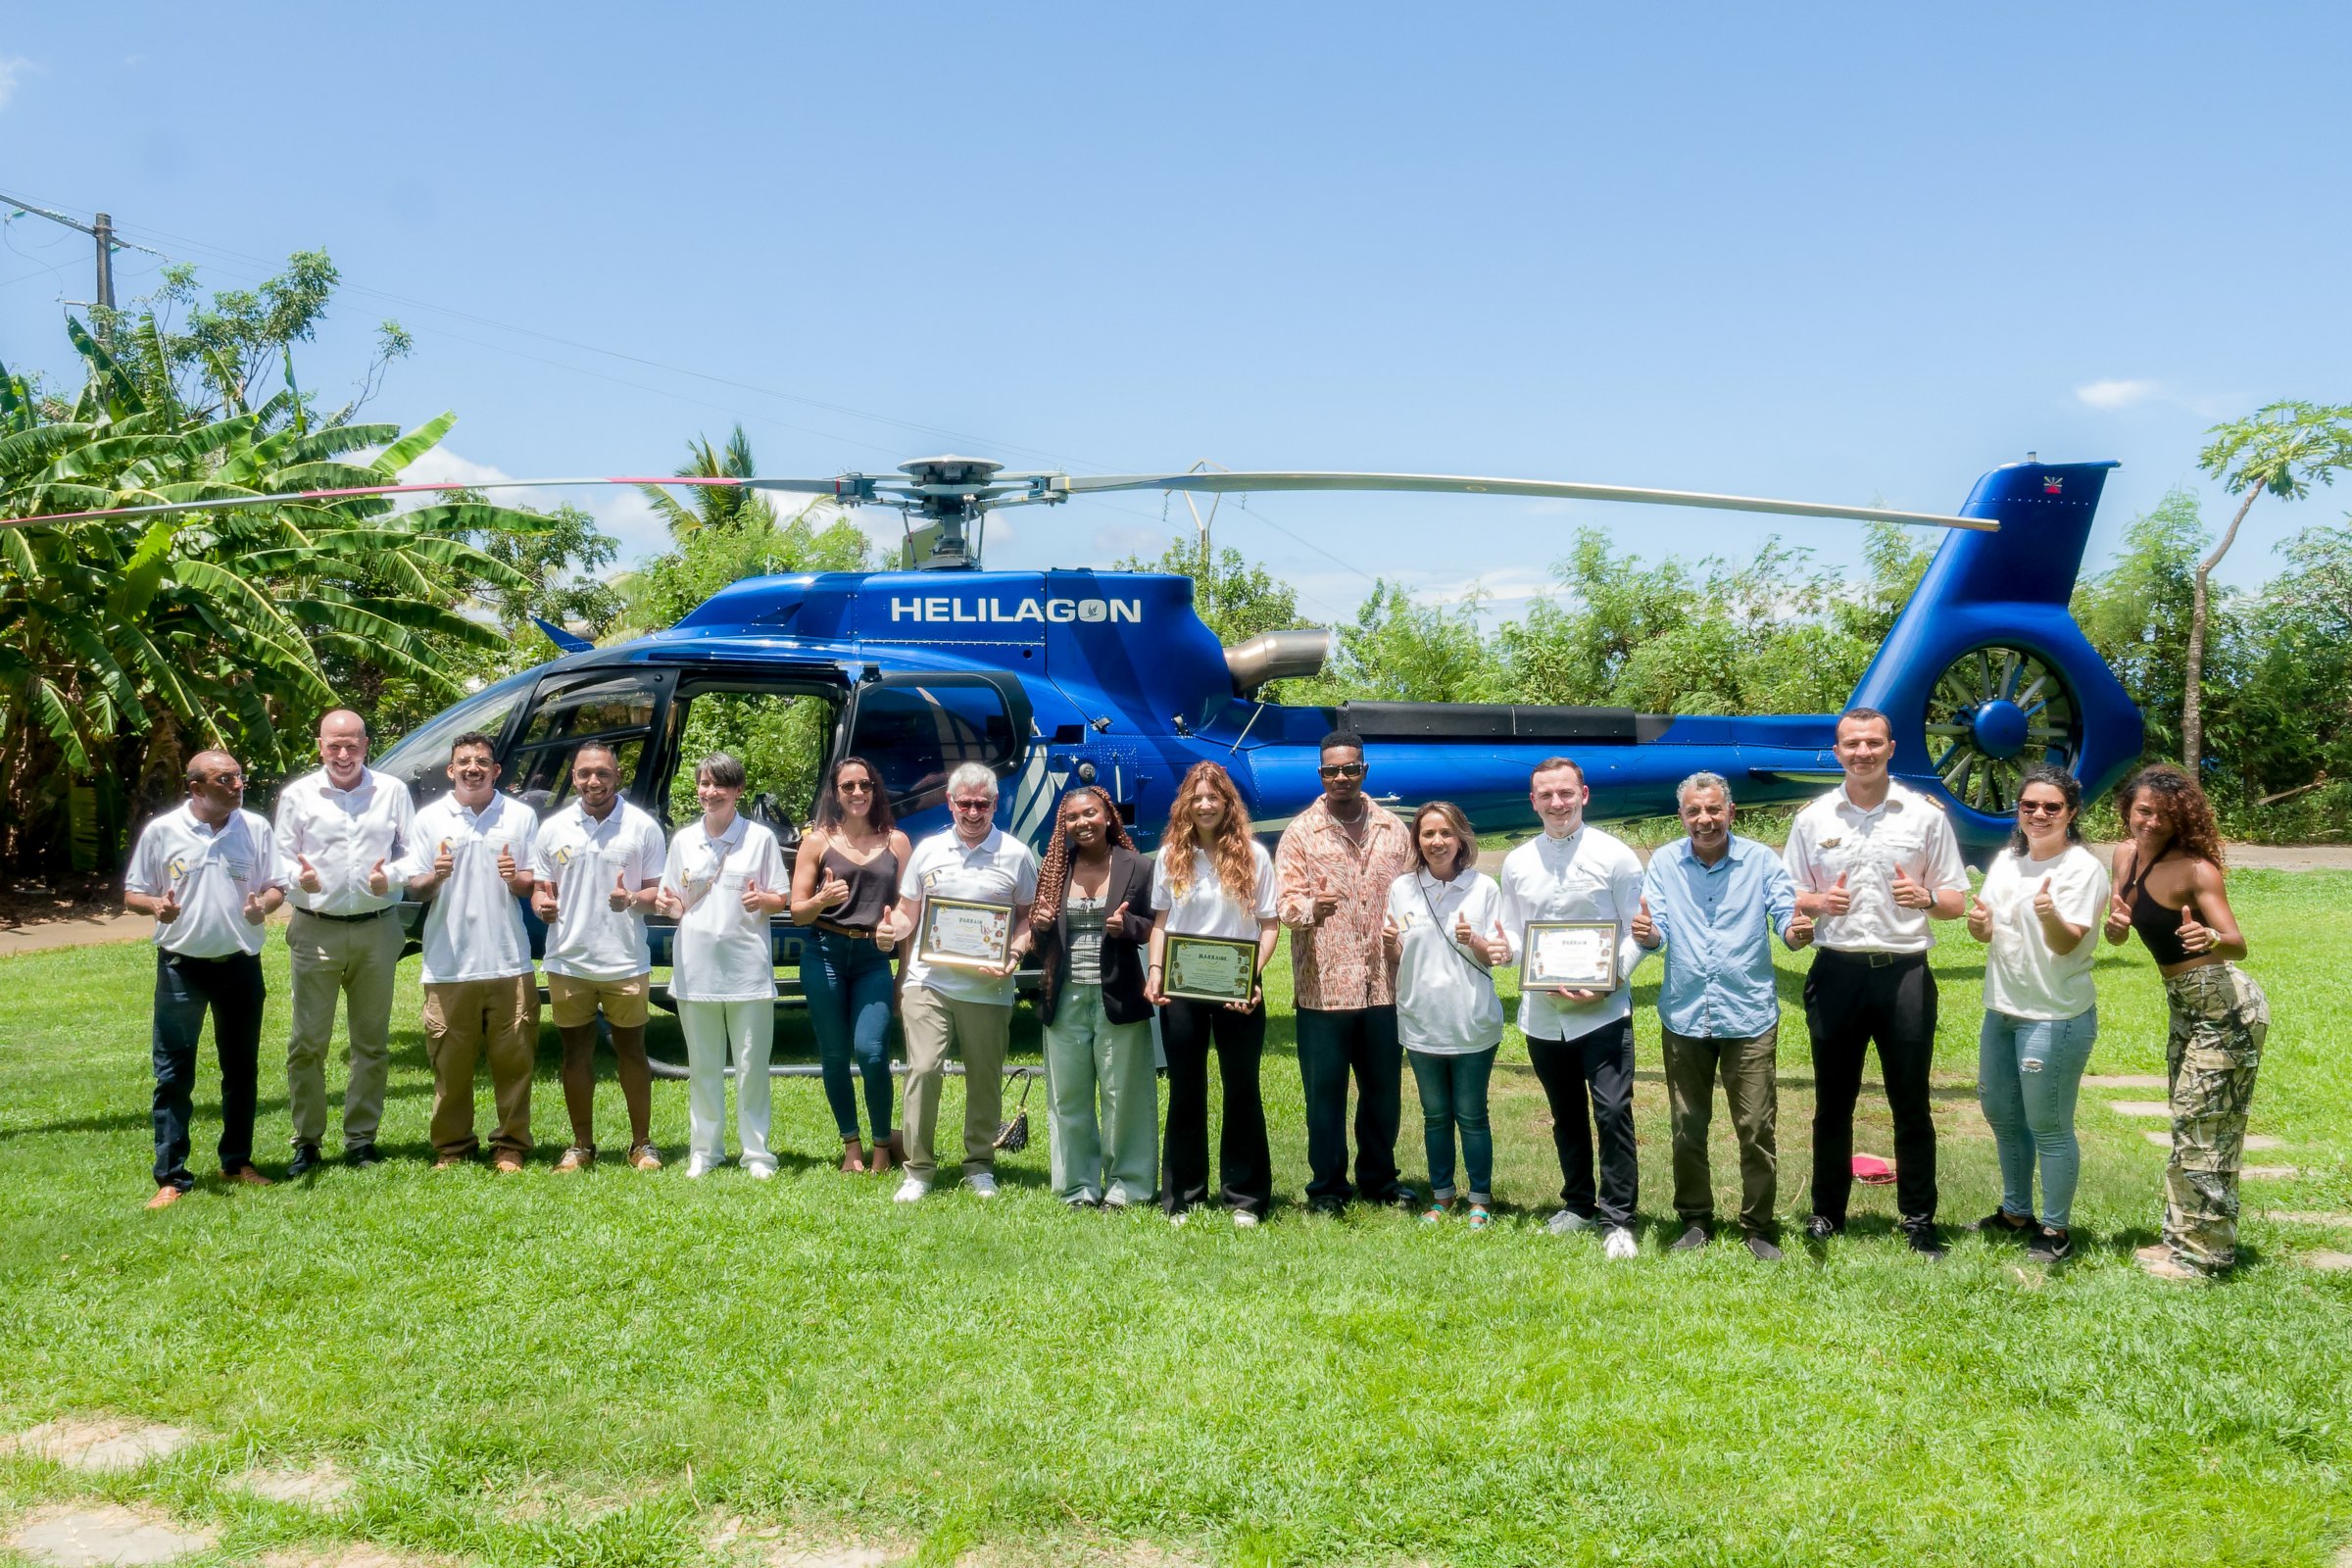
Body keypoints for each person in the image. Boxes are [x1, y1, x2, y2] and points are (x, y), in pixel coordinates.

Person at [1783, 707, 1969, 1257]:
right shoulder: (1813, 819)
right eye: (1851, 744)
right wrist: (1816, 903)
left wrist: (1928, 899)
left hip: (1904, 973)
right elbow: (1789, 894)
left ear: (1891, 748)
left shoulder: (1924, 817)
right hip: (1836, 972)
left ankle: (1918, 1219)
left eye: (1872, 743)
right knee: (1832, 1103)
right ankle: (1827, 1214)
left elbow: (1957, 898)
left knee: (1911, 1103)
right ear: (1836, 752)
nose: (1862, 753)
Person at [1633, 771, 1812, 1261]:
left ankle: (1758, 1225)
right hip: (1685, 1014)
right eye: (1694, 811)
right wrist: (1647, 934)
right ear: (1682, 816)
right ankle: (1695, 1219)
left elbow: (1784, 919)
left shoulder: (1759, 861)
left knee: (1756, 1126)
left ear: (1731, 812)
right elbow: (1659, 929)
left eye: (1713, 810)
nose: (1704, 820)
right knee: (1688, 1125)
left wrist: (1797, 931)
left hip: (1748, 1013)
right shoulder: (1666, 862)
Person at [2103, 763, 2269, 1282]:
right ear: (2128, 809)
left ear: (2182, 818)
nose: (2151, 822)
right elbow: (2117, 937)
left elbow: (2237, 942)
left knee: (2207, 1127)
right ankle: (2182, 1238)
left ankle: (2206, 1257)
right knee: (2188, 1120)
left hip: (2225, 1008)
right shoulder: (2125, 856)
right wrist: (2114, 926)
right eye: (2143, 810)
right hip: (2185, 1006)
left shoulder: (2196, 869)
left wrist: (2213, 940)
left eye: (2164, 814)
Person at [1498, 758, 1649, 1259]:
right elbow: (1517, 938)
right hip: (1542, 1016)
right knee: (1565, 1115)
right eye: (1546, 795)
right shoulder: (1518, 862)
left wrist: (1612, 980)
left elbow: (1641, 934)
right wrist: (1519, 962)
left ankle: (1619, 1218)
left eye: (1565, 793)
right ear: (1533, 801)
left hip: (1604, 1013)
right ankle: (1579, 1204)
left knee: (1611, 1113)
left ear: (1583, 795)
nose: (1557, 803)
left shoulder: (1616, 856)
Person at [122, 750, 285, 1208]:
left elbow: (276, 884)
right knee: (173, 1073)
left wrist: (264, 906)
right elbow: (133, 892)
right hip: (181, 967)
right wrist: (156, 906)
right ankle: (171, 1177)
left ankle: (236, 1161)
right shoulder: (163, 832)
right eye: (225, 779)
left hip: (238, 963)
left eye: (239, 776)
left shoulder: (254, 828)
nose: (237, 785)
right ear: (196, 788)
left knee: (240, 1068)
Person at [1966, 764, 2109, 1265]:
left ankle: (2055, 1230)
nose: (2039, 814)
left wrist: (2048, 913)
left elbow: (2068, 943)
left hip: (2054, 1015)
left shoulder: (2083, 869)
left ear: (2071, 812)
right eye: (2030, 805)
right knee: (2004, 1116)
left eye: (2052, 806)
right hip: (2002, 1008)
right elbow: (1986, 934)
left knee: (2047, 1123)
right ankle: (2015, 1212)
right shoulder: (2006, 860)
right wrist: (1978, 924)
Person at [881, 761, 1038, 1202]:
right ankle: (918, 1170)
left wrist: (1014, 952)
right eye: (964, 802)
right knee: (924, 1069)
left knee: (985, 1078)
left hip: (989, 986)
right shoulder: (928, 851)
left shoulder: (1016, 854)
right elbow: (908, 911)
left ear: (995, 804)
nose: (973, 812)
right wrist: (892, 929)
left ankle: (979, 1164)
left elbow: (1025, 918)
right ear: (950, 803)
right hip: (928, 981)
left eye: (982, 804)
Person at [1274, 732, 1416, 1213]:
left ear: (1365, 771)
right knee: (1324, 1098)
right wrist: (1311, 907)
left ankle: (1379, 1180)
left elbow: (1417, 895)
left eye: (1350, 769)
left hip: (1384, 986)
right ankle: (1328, 1188)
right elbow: (1285, 903)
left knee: (1382, 1095)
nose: (1341, 778)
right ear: (1320, 774)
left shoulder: (1394, 830)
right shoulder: (1300, 832)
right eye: (1331, 770)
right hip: (1324, 989)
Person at [390, 732, 542, 1173]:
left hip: (507, 958)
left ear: (496, 770)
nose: (473, 767)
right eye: (464, 761)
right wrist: (434, 877)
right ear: (451, 770)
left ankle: (510, 1144)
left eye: (482, 761)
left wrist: (516, 879)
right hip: (448, 961)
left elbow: (531, 883)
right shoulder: (430, 819)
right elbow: (414, 886)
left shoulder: (520, 817)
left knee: (514, 1060)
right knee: (449, 1063)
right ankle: (453, 1146)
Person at [274, 709, 416, 1174]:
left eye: (351, 744)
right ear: (319, 746)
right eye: (333, 745)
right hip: (316, 927)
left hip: (378, 927)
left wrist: (390, 877)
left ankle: (360, 1140)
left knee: (371, 1043)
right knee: (308, 1043)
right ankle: (307, 1142)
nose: (342, 754)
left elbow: (411, 853)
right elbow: (278, 859)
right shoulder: (298, 795)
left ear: (365, 745)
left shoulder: (391, 791)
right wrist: (302, 878)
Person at [1149, 762, 1280, 1225]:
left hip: (1237, 988)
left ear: (1228, 804)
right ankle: (1184, 1195)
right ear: (1186, 804)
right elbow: (1161, 923)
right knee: (1186, 1087)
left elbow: (1269, 925)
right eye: (1197, 798)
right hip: (1181, 989)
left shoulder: (1254, 856)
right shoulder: (1170, 856)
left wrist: (1252, 977)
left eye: (1214, 797)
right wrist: (1155, 971)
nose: (1205, 805)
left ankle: (1245, 1197)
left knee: (1241, 1087)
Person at [532, 742, 669, 1173]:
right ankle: (580, 1146)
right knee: (575, 1055)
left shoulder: (642, 827)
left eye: (603, 774)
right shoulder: (553, 829)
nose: (594, 782)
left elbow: (657, 893)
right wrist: (542, 906)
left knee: (633, 1052)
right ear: (573, 777)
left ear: (618, 775)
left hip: (625, 960)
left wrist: (631, 898)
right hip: (568, 960)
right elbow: (541, 888)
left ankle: (642, 1145)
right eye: (584, 774)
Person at [656, 753, 790, 1179]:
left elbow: (780, 898)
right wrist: (666, 903)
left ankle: (757, 1154)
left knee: (752, 1066)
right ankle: (705, 1151)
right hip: (695, 968)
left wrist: (761, 900)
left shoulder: (760, 839)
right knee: (703, 1065)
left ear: (737, 791)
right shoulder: (683, 841)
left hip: (747, 968)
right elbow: (674, 901)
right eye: (704, 784)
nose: (709, 792)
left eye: (719, 785)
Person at [1382, 801, 1507, 1228]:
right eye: (1427, 834)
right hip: (1420, 1020)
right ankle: (1442, 1196)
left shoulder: (1483, 889)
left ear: (1461, 839)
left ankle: (1480, 1198)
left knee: (1471, 1115)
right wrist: (1387, 944)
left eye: (1445, 833)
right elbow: (1398, 956)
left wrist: (1475, 940)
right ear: (1417, 840)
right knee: (1434, 1116)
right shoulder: (1402, 889)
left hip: (1470, 1019)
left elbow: (1497, 957)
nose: (1436, 842)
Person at [1032, 786, 1157, 1207]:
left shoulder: (1137, 866)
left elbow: (1156, 925)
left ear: (1108, 817)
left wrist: (1131, 928)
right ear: (1063, 826)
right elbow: (1038, 942)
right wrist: (1042, 924)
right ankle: (1077, 1187)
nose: (1081, 823)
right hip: (1064, 996)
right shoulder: (1054, 868)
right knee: (1068, 1095)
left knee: (1124, 1094)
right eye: (1072, 817)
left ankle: (1129, 1186)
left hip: (1118, 994)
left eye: (1090, 814)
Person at [790, 755, 910, 1175]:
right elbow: (797, 912)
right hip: (823, 953)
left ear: (875, 790)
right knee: (835, 1055)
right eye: (848, 787)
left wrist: (904, 973)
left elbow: (910, 912)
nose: (857, 793)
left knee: (872, 1052)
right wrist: (821, 900)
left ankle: (882, 1147)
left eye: (865, 785)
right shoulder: (817, 841)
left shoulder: (896, 841)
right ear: (835, 793)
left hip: (873, 960)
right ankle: (851, 1147)